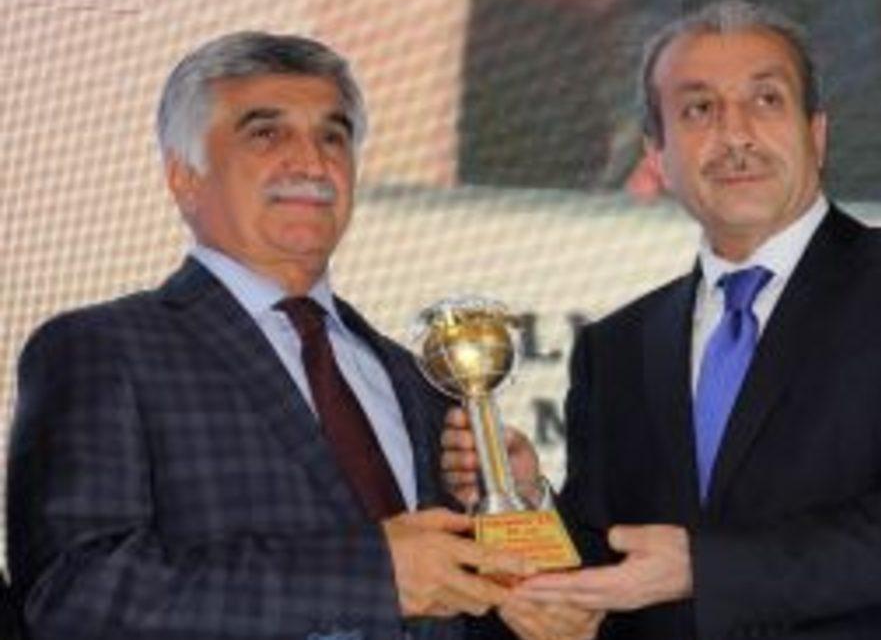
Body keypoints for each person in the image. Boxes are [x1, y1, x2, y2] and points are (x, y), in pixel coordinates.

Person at [442, 0, 881, 639]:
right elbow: (615, 567)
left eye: (766, 100)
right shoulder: (617, 346)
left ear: (817, 133)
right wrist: (526, 502)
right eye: (699, 109)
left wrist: (705, 569)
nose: (735, 135)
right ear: (657, 156)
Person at [6, 31, 599, 640]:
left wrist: (521, 513)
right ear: (184, 177)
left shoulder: (413, 378)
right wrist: (375, 576)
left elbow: (456, 617)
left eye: (332, 137)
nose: (313, 164)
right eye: (267, 134)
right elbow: (75, 596)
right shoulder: (102, 349)